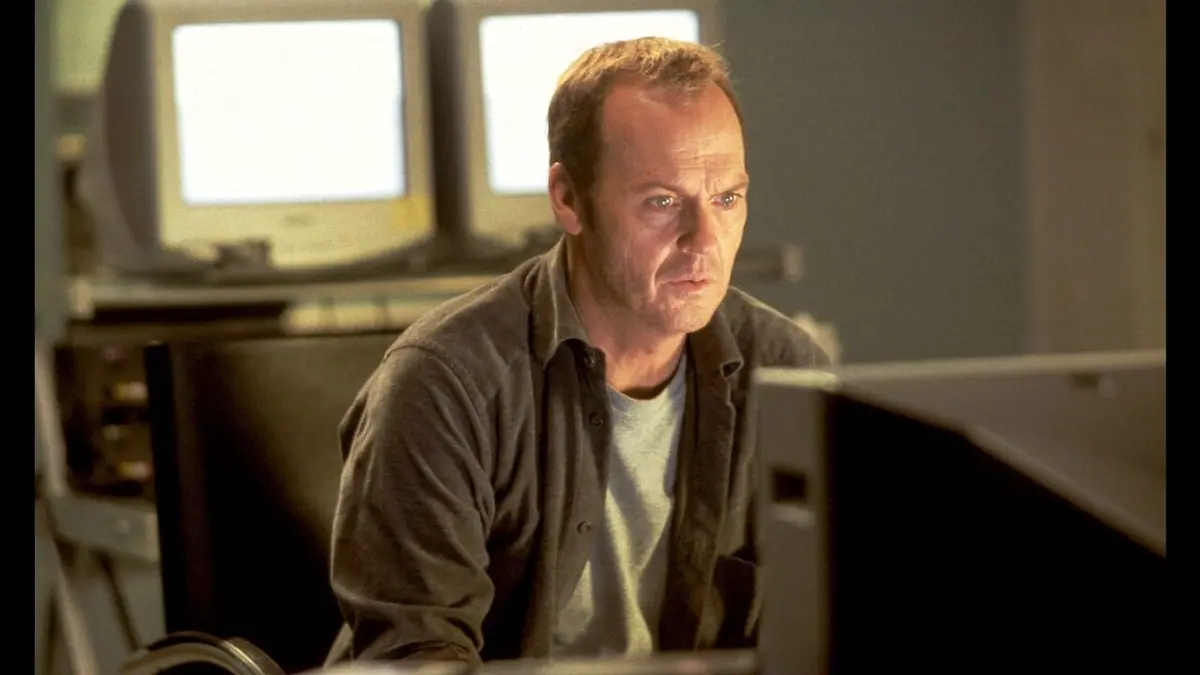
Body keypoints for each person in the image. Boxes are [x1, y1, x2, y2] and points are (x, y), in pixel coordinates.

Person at [324, 36, 833, 667]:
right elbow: (419, 656)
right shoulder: (445, 381)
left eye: (727, 198)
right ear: (568, 198)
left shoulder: (789, 374)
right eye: (662, 202)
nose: (705, 240)